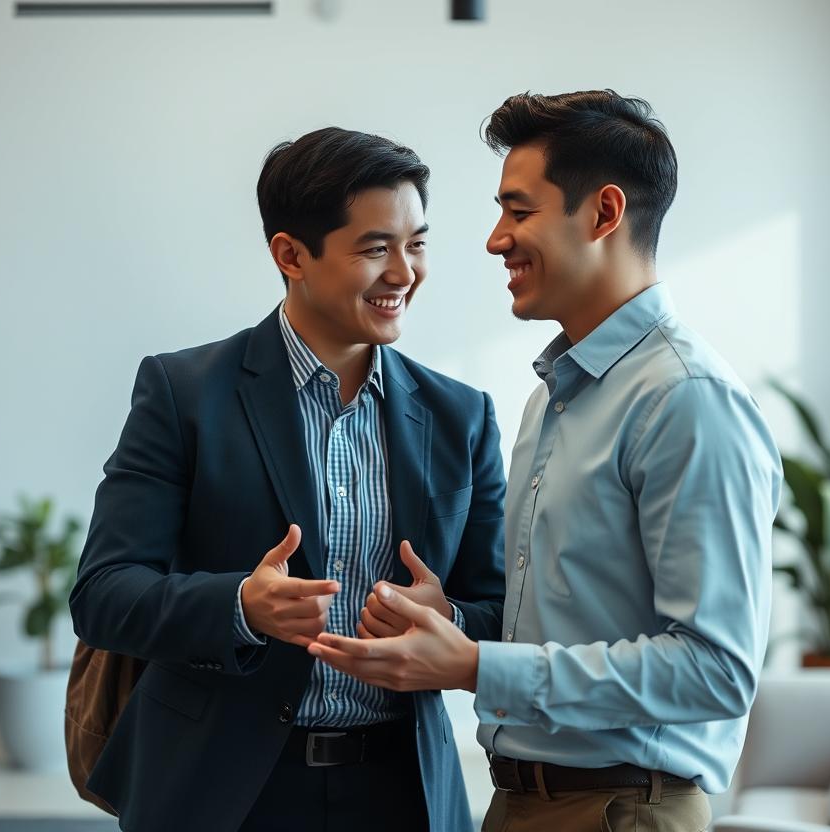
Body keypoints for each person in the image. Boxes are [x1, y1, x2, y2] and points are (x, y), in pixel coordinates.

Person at [308, 91, 783, 832]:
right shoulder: (554, 396)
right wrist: (460, 627)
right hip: (526, 802)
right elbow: (575, 624)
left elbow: (714, 671)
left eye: (518, 211)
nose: (496, 240)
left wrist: (472, 667)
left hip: (623, 810)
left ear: (604, 213)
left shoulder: (687, 401)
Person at [69, 126, 507, 832]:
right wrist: (242, 605)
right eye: (375, 248)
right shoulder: (184, 394)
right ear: (291, 254)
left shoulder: (462, 417)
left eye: (416, 243)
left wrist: (446, 619)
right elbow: (104, 595)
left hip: (403, 791)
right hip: (222, 790)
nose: (404, 272)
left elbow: (501, 607)